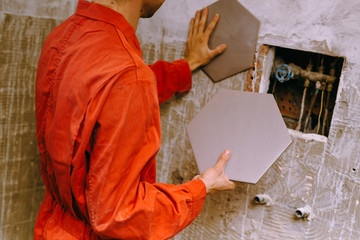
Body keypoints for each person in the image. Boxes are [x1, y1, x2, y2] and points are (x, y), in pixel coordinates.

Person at [34, 0, 235, 239]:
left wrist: (187, 66)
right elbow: (117, 213)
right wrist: (200, 188)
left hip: (51, 228)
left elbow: (100, 95)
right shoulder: (129, 76)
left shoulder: (62, 36)